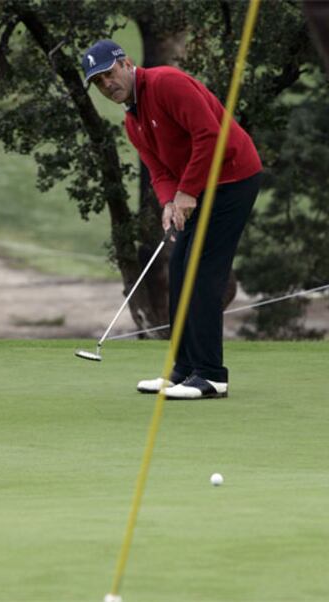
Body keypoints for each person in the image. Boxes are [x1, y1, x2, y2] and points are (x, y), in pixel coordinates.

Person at [81, 40, 262, 399]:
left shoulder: (166, 83)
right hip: (200, 188)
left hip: (233, 179)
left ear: (126, 63)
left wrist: (187, 192)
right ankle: (184, 370)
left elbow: (210, 135)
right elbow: (159, 170)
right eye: (98, 82)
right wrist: (169, 202)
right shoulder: (132, 123)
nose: (107, 85)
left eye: (109, 74)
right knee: (179, 271)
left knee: (204, 273)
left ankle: (211, 375)